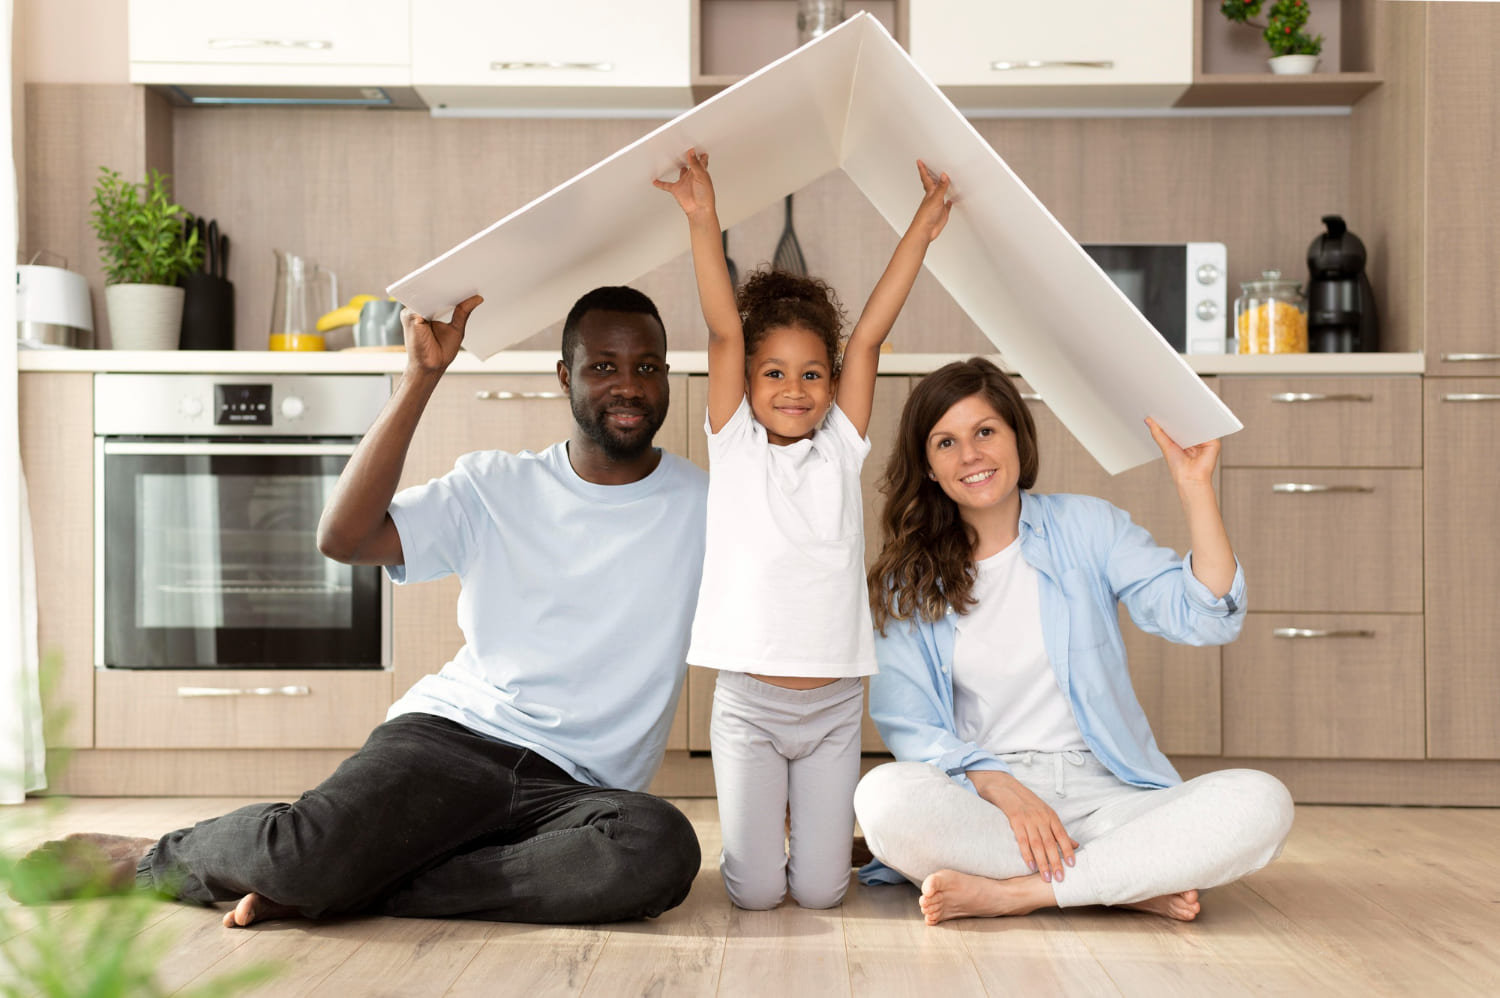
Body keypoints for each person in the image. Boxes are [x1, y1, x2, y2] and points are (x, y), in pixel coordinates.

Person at [19, 286, 710, 926]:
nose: (628, 386)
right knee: (300, 855)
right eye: (604, 367)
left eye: (648, 367)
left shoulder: (704, 506)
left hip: (581, 795)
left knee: (660, 848)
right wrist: (421, 378)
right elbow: (343, 537)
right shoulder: (495, 486)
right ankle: (154, 857)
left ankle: (356, 883)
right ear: (565, 377)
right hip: (454, 744)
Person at [852, 358, 1293, 924]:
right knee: (884, 797)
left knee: (1262, 801)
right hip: (987, 801)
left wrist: (1194, 487)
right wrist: (1003, 787)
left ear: (1017, 436)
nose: (971, 455)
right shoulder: (905, 580)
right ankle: (1121, 879)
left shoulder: (1088, 526)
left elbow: (1207, 617)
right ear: (930, 467)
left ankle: (1019, 892)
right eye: (946, 442)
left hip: (1110, 795)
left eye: (985, 431)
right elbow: (910, 724)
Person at [652, 149, 951, 910]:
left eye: (812, 373)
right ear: (747, 382)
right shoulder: (735, 444)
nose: (794, 388)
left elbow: (871, 337)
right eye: (774, 372)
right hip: (749, 704)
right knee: (753, 894)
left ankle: (823, 833)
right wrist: (702, 218)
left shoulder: (841, 447)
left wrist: (920, 229)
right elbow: (723, 331)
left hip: (830, 708)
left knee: (821, 893)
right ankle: (774, 824)